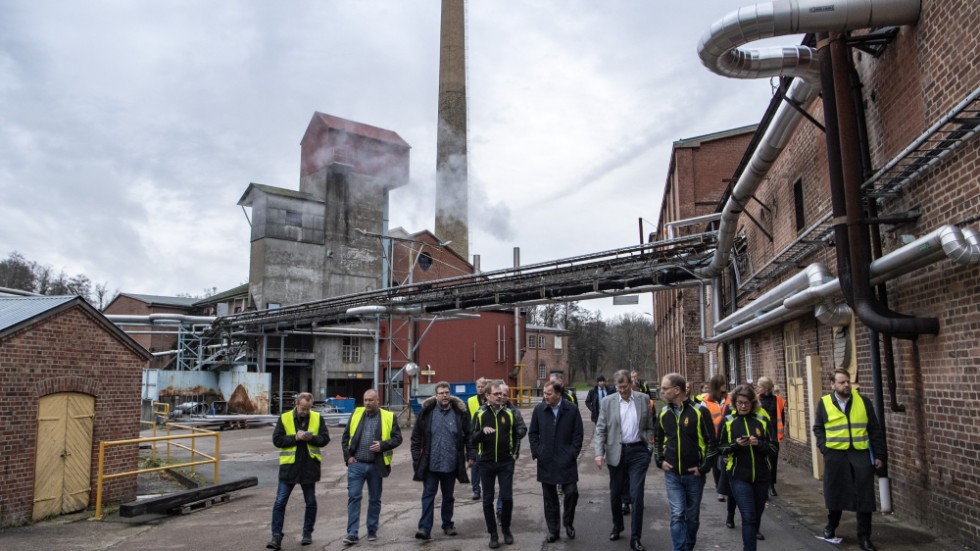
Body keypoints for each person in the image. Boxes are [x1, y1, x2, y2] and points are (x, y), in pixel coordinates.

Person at [813, 369, 886, 551]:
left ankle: (864, 537)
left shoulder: (863, 401)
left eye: (848, 382)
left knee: (865, 496)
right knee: (835, 493)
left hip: (860, 453)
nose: (846, 385)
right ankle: (831, 527)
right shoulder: (824, 403)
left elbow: (874, 430)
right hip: (835, 455)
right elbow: (818, 428)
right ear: (832, 385)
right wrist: (824, 447)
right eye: (841, 382)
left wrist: (879, 455)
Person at [655, 372, 717, 551]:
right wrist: (660, 460)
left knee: (692, 517)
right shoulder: (664, 413)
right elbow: (657, 440)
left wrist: (704, 467)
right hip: (672, 473)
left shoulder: (700, 412)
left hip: (694, 474)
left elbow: (712, 442)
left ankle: (688, 546)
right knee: (677, 514)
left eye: (665, 388)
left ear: (677, 390)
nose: (662, 391)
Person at [594, 369, 655, 551]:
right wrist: (599, 453)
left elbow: (650, 426)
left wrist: (649, 448)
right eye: (619, 387)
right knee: (615, 495)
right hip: (616, 452)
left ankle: (636, 537)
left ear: (631, 383)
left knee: (636, 496)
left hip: (638, 452)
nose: (622, 390)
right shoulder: (608, 402)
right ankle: (617, 525)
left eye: (625, 386)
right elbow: (600, 429)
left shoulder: (643, 399)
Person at [268, 392, 330, 550]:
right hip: (289, 468)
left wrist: (312, 438)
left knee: (310, 502)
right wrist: (295, 438)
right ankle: (276, 536)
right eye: (303, 408)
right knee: (280, 502)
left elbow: (325, 439)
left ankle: (307, 533)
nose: (305, 411)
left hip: (309, 468)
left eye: (308, 408)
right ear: (296, 404)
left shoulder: (317, 418)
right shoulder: (284, 418)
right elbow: (277, 440)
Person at [411, 381, 472, 540]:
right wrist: (417, 461)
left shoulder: (460, 414)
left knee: (448, 497)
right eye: (441, 393)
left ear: (450, 394)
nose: (445, 395)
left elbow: (469, 436)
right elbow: (416, 439)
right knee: (428, 496)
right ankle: (424, 528)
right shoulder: (426, 413)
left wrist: (471, 456)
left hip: (451, 465)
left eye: (447, 392)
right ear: (436, 395)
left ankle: (448, 524)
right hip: (430, 465)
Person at [341, 389, 403, 545]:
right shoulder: (356, 413)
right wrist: (348, 456)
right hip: (356, 465)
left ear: (378, 401)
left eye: (370, 400)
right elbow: (345, 437)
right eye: (365, 400)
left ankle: (372, 531)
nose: (367, 403)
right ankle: (352, 534)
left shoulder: (389, 417)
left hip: (376, 466)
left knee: (375, 499)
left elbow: (398, 438)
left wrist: (383, 445)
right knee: (354, 497)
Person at [719, 384, 777, 551]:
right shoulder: (728, 422)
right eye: (739, 403)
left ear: (753, 403)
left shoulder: (762, 421)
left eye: (746, 403)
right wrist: (735, 445)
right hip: (738, 476)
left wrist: (759, 443)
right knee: (748, 515)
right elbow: (719, 448)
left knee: (756, 514)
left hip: (761, 475)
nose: (743, 406)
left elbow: (774, 448)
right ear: (734, 403)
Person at [471, 381, 526, 549]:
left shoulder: (509, 413)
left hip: (505, 462)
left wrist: (514, 451)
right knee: (487, 499)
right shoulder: (480, 414)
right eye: (496, 394)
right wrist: (481, 432)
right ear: (487, 396)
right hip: (486, 463)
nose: (500, 396)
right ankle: (493, 534)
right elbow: (470, 437)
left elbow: (517, 435)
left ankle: (506, 529)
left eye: (501, 394)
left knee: (507, 498)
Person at [529, 380, 584, 543]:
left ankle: (568, 523)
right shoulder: (539, 409)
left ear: (558, 394)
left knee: (571, 493)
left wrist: (572, 453)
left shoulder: (571, 410)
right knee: (549, 498)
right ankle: (553, 530)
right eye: (544, 393)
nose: (545, 396)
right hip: (546, 460)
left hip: (566, 460)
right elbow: (533, 433)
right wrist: (538, 451)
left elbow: (578, 434)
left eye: (549, 393)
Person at [700, 374, 730, 502]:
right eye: (723, 383)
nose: (725, 385)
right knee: (716, 465)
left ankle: (726, 488)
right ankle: (720, 489)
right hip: (713, 437)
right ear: (717, 385)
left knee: (725, 463)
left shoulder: (730, 399)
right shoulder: (706, 401)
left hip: (728, 436)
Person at [755, 376, 786, 495]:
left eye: (759, 386)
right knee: (761, 461)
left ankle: (771, 485)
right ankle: (762, 485)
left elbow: (781, 418)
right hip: (760, 435)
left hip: (773, 435)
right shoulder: (756, 400)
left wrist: (779, 432)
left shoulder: (778, 400)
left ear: (766, 387)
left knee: (773, 461)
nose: (757, 388)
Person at [467, 377, 488, 500]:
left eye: (482, 386)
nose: (480, 389)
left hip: (487, 439)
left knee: (485, 466)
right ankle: (476, 490)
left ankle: (486, 489)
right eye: (478, 387)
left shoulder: (491, 399)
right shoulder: (470, 401)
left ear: (486, 387)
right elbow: (467, 420)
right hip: (474, 438)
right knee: (474, 466)